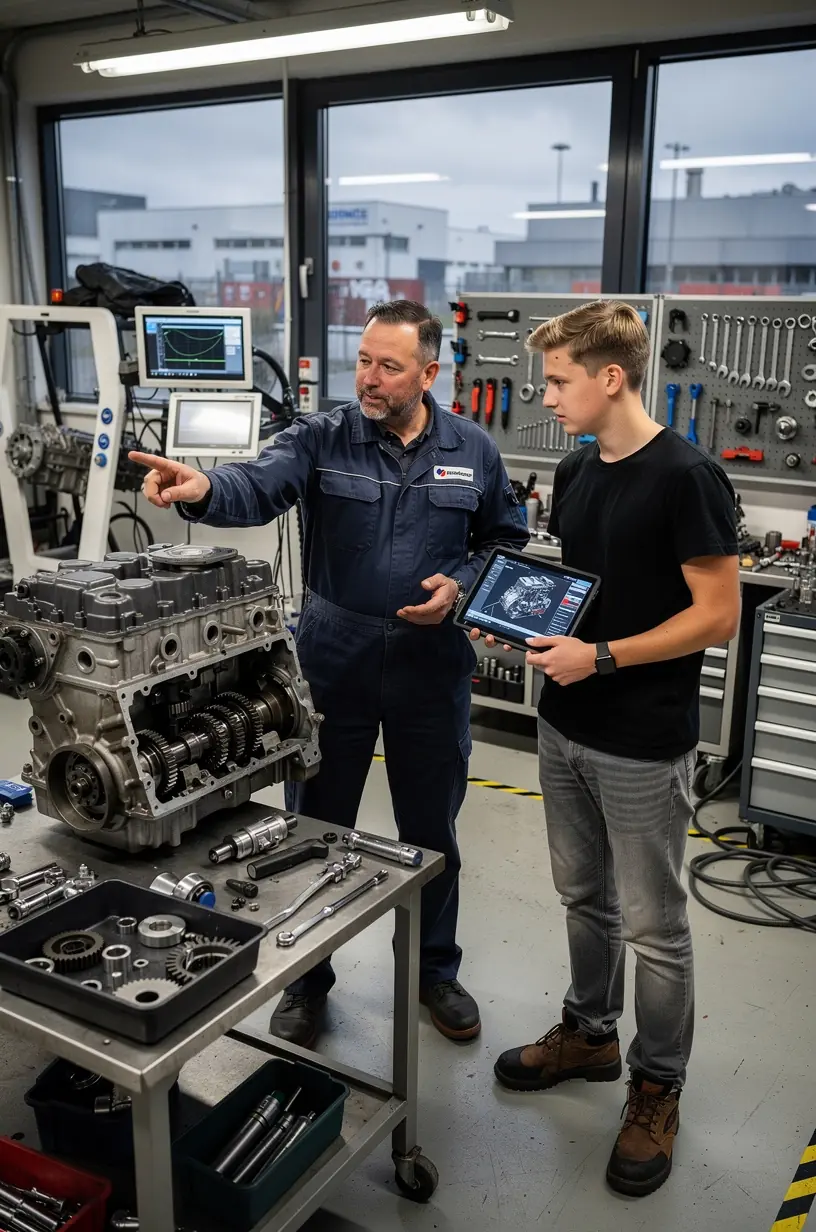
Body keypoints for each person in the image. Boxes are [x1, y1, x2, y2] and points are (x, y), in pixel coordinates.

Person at [130, 299, 529, 1048]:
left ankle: (435, 971)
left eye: (389, 366)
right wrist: (205, 489)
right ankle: (307, 978)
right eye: (364, 361)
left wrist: (463, 588)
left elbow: (504, 540)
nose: (370, 379)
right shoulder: (323, 435)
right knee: (312, 825)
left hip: (430, 666)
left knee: (431, 829)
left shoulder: (474, 449)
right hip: (331, 656)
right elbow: (258, 483)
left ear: (430, 372)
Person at [480, 301, 739, 1197]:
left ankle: (657, 1085)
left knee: (656, 927)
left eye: (557, 381)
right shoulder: (580, 470)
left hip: (641, 740)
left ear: (611, 377)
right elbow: (587, 588)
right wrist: (537, 626)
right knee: (582, 897)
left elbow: (717, 614)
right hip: (565, 724)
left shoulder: (689, 476)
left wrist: (604, 656)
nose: (547, 396)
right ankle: (589, 1033)